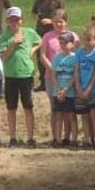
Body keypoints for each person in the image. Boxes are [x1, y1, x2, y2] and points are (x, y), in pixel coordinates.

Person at [0, 7, 41, 148]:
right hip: (11, 75)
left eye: (16, 20)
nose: (14, 23)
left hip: (26, 75)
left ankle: (30, 138)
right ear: (7, 21)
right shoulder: (5, 36)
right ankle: (12, 138)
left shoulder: (29, 32)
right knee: (11, 108)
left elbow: (39, 41)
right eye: (11, 20)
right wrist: (14, 43)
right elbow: (4, 56)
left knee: (28, 107)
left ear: (21, 20)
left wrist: (33, 50)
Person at [41, 12, 73, 145]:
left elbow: (74, 55)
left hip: (68, 78)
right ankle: (55, 136)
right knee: (55, 108)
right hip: (51, 77)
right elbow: (43, 55)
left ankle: (67, 137)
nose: (58, 24)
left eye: (61, 21)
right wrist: (53, 68)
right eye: (55, 22)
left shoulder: (72, 36)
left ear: (66, 22)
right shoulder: (48, 36)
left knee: (67, 109)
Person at [47, 30, 80, 147]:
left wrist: (66, 89)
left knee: (71, 115)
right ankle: (57, 138)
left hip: (70, 92)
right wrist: (58, 89)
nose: (63, 45)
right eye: (61, 43)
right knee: (58, 115)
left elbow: (75, 75)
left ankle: (74, 139)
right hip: (58, 91)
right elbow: (53, 75)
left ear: (72, 43)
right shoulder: (57, 58)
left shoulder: (75, 58)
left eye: (65, 43)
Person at [72, 27, 95, 148]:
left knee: (94, 114)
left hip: (93, 89)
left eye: (91, 39)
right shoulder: (79, 52)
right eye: (86, 39)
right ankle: (87, 139)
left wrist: (89, 89)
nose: (88, 42)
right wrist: (78, 87)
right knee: (84, 115)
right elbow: (76, 71)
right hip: (81, 88)